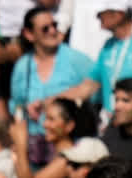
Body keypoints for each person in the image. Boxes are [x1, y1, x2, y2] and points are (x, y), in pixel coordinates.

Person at [9, 8, 95, 148]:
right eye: (45, 28)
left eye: (54, 25)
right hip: (36, 145)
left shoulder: (77, 60)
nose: (53, 31)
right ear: (29, 34)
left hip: (71, 144)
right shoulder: (22, 67)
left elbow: (96, 91)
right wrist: (26, 109)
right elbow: (16, 106)